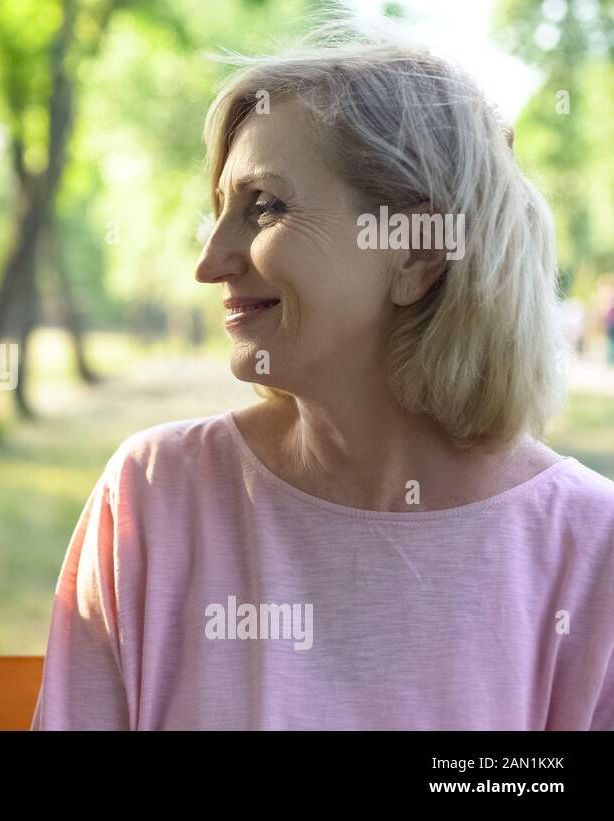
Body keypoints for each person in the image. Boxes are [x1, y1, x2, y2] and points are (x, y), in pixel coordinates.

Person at [33, 24, 614, 730]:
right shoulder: (152, 497)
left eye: (265, 207)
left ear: (416, 254)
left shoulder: (591, 550)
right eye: (218, 211)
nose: (210, 261)